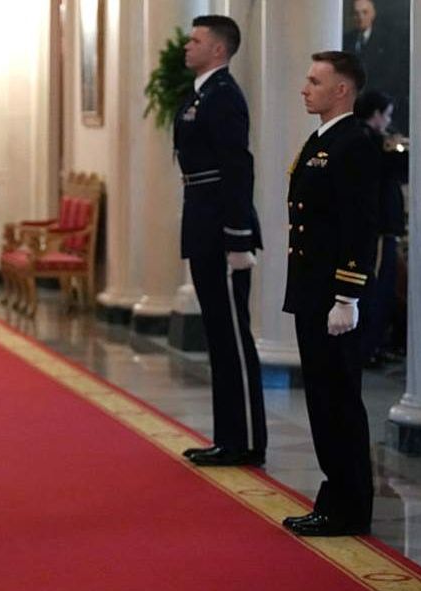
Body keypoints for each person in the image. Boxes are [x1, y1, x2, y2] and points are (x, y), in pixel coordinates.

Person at [280, 51, 380, 537]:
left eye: (315, 81)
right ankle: (335, 497)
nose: (305, 88)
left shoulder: (355, 143)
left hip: (333, 296)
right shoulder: (322, 139)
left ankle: (350, 505)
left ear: (342, 90)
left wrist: (348, 296)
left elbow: (361, 225)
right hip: (312, 289)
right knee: (322, 398)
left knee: (339, 399)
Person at [174, 15, 268, 468]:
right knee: (218, 334)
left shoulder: (224, 96)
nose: (186, 46)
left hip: (221, 227)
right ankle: (228, 436)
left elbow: (237, 166)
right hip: (202, 220)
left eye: (195, 41)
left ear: (218, 49)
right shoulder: (203, 93)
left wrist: (238, 237)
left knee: (232, 336)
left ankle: (245, 439)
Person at [352, 89, 407, 367]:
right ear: (375, 114)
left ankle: (369, 346)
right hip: (379, 230)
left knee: (382, 292)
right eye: (386, 115)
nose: (388, 122)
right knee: (376, 292)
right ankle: (364, 349)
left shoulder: (369, 140)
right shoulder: (369, 142)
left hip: (382, 230)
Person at [342, 0, 409, 135]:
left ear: (373, 14)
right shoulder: (346, 40)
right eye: (356, 13)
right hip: (352, 108)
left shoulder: (387, 42)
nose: (360, 17)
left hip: (378, 107)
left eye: (365, 12)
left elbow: (391, 74)